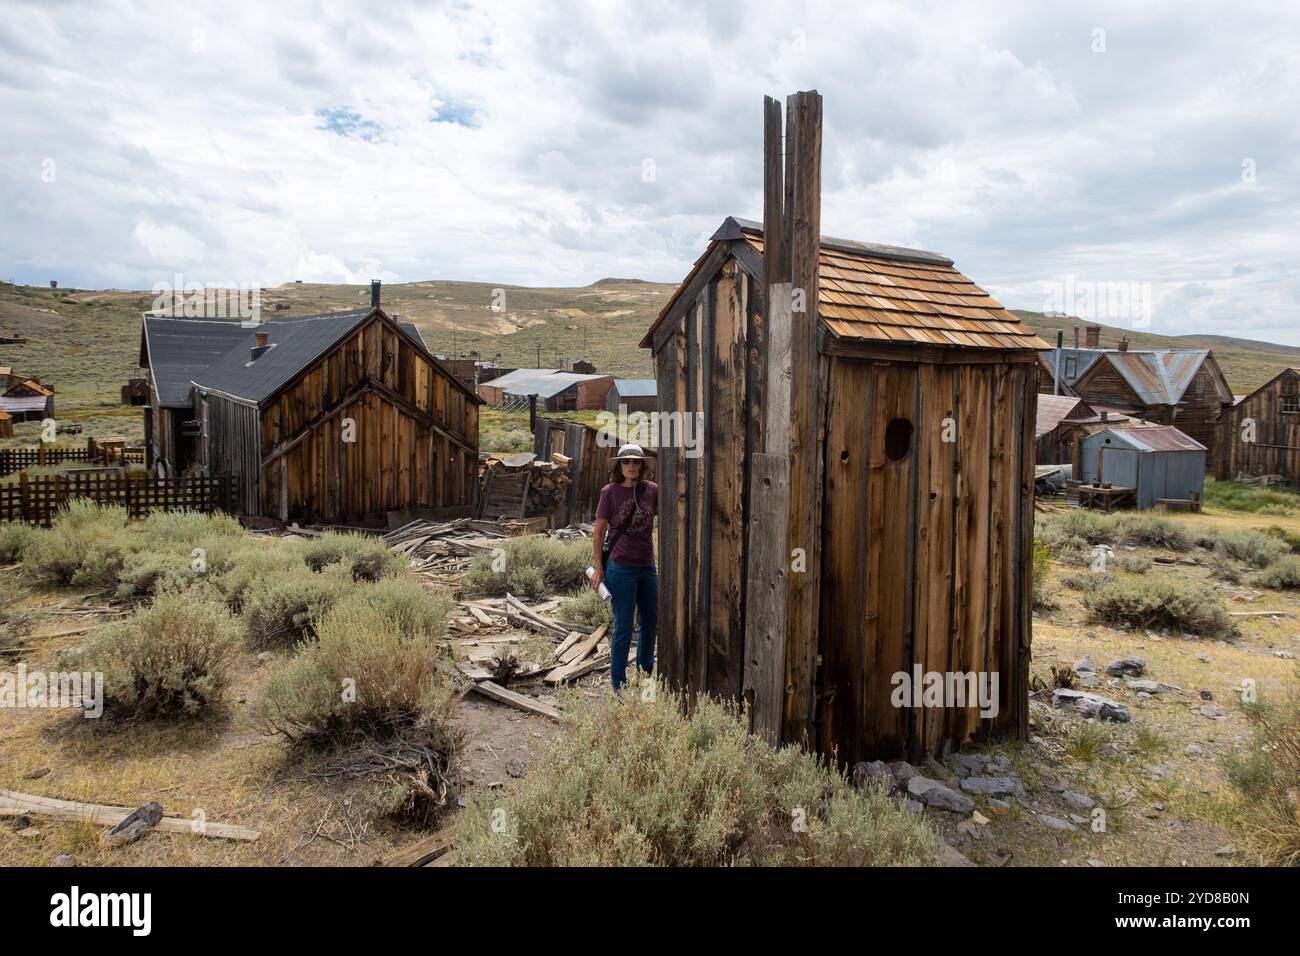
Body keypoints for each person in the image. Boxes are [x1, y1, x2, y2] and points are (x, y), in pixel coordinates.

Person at [590, 443, 658, 690]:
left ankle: (645, 675)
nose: (631, 466)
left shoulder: (652, 490)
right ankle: (618, 683)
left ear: (642, 466)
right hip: (621, 568)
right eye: (626, 461)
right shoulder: (609, 492)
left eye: (636, 462)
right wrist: (599, 569)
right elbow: (598, 533)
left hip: (647, 566)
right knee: (624, 626)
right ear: (619, 465)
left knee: (650, 623)